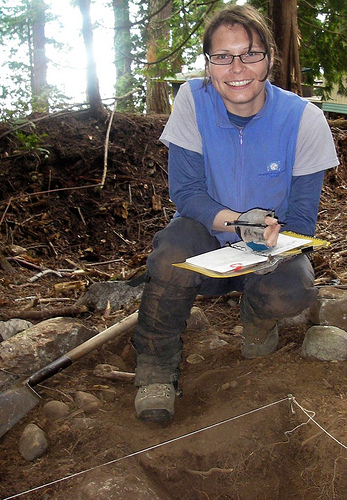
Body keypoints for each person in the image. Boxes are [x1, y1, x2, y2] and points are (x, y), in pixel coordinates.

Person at [132, 4, 339, 422]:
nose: (237, 67)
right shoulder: (191, 100)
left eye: (250, 54)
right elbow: (186, 192)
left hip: (269, 243)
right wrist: (236, 222)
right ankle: (156, 367)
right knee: (171, 251)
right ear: (208, 64)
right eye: (222, 57)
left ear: (269, 58)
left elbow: (302, 213)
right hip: (208, 234)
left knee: (293, 288)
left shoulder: (305, 119)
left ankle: (258, 317)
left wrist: (274, 245)